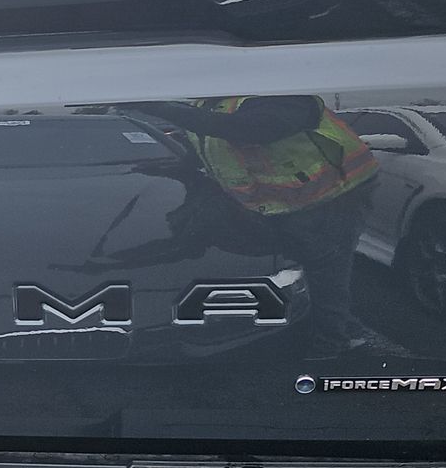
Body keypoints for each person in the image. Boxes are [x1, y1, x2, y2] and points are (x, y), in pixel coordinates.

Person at [157, 95, 378, 350]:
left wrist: (163, 109)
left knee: (325, 265)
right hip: (276, 202)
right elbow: (210, 147)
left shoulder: (278, 94)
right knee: (306, 264)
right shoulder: (208, 104)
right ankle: (334, 323)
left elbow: (253, 129)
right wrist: (175, 169)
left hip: (332, 194)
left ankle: (331, 344)